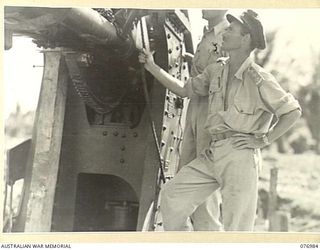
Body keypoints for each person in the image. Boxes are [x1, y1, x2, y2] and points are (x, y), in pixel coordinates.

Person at [139, 9, 301, 231]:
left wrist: (264, 139)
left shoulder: (259, 78)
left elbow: (292, 112)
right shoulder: (216, 70)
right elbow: (185, 90)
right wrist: (152, 67)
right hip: (213, 152)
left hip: (239, 156)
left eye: (231, 30)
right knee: (173, 194)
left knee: (237, 227)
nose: (225, 33)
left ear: (245, 39)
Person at [179, 9, 228, 231]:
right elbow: (204, 69)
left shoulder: (227, 35)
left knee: (206, 177)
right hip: (196, 109)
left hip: (212, 110)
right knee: (187, 169)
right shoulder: (207, 35)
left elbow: (216, 78)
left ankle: (208, 235)